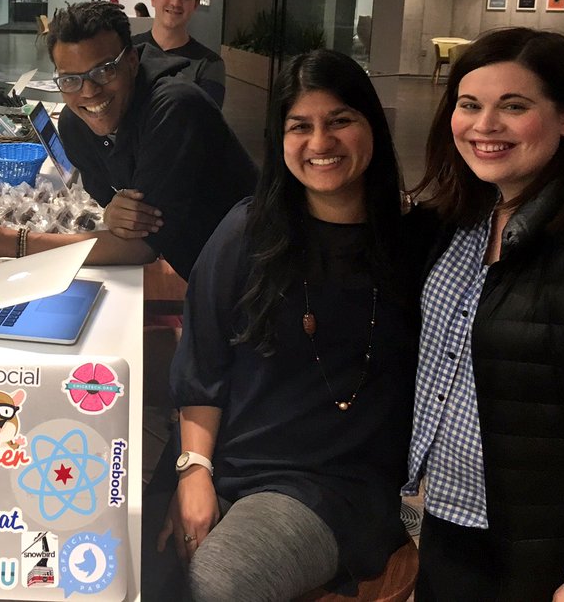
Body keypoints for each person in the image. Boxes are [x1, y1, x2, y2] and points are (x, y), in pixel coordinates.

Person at [154, 48, 431, 602]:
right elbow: (203, 366)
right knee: (131, 557)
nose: (320, 142)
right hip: (224, 457)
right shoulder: (247, 232)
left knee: (217, 582)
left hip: (334, 483)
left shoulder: (417, 243)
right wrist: (194, 471)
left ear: (372, 126)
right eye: (300, 126)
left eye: (340, 120)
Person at [404, 27, 564, 601]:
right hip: (449, 523)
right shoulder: (461, 221)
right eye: (469, 105)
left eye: (514, 106)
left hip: (549, 548)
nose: (485, 125)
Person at [0, 1, 257, 281]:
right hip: (203, 271)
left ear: (131, 61)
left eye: (104, 71)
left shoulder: (174, 107)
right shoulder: (75, 123)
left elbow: (140, 246)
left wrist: (7, 242)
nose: (89, 92)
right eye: (71, 79)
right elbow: (119, 223)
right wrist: (112, 213)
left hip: (255, 276)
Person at [132, 0, 226, 106]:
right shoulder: (127, 48)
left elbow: (205, 118)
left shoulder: (209, 64)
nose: (176, 2)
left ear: (195, 4)